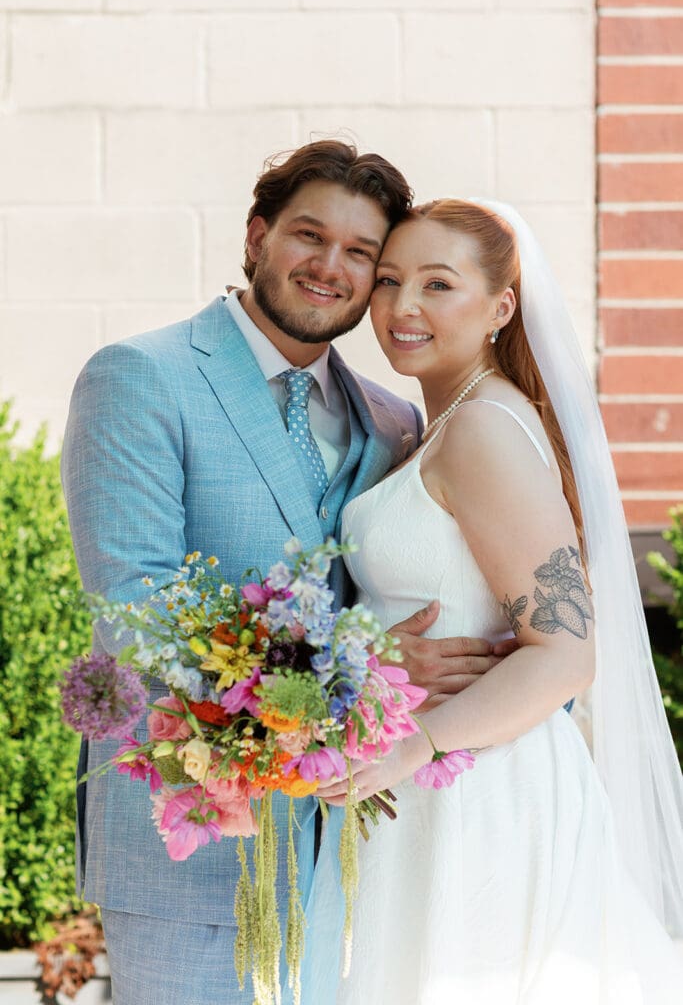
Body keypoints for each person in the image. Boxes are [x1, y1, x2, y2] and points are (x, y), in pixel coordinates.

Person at [60, 143, 506, 1005]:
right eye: (309, 235)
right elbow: (135, 608)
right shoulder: (140, 378)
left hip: (350, 836)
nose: (329, 267)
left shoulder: (389, 418)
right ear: (257, 236)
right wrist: (360, 677)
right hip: (188, 837)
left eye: (361, 254)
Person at [304, 199, 683, 1003]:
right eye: (390, 281)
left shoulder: (480, 429)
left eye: (437, 285)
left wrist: (417, 744)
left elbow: (566, 654)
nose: (402, 308)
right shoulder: (432, 424)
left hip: (480, 792)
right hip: (430, 781)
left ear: (500, 306)